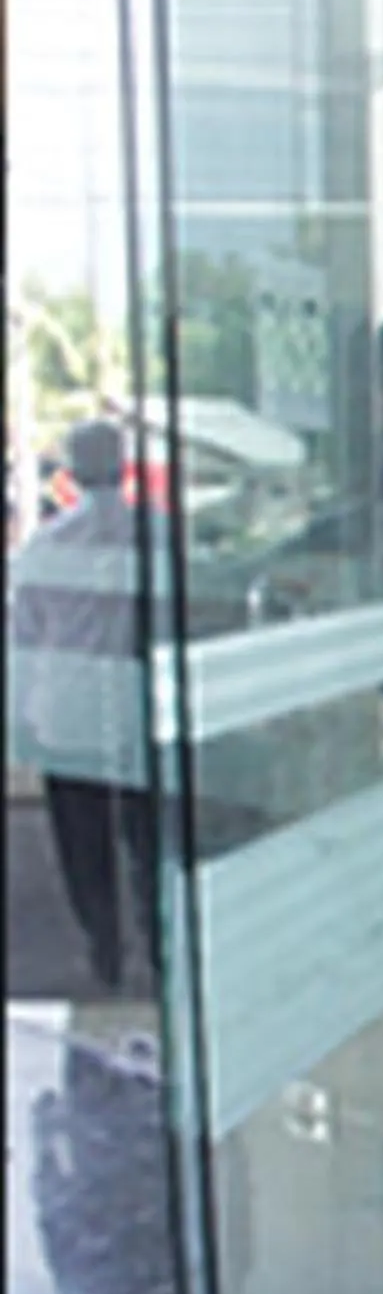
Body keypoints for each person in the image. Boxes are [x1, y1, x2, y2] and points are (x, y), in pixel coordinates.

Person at [8, 418, 157, 991]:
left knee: (82, 839)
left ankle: (105, 947)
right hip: (132, 712)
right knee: (146, 834)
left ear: (69, 474)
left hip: (64, 716)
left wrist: (19, 716)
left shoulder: (45, 545)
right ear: (123, 467)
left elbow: (23, 638)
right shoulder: (155, 534)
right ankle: (157, 937)